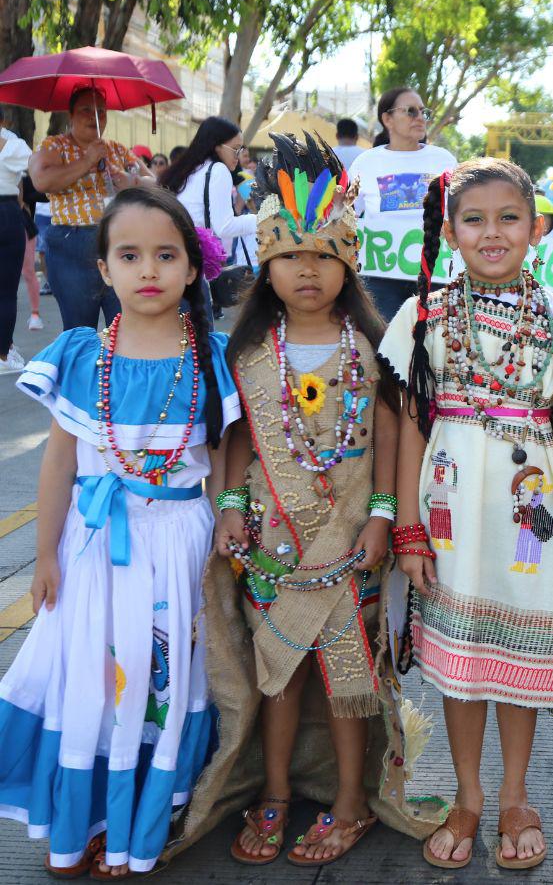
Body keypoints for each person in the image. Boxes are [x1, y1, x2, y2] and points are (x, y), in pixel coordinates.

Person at [188, 133, 425, 867]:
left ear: (347, 261)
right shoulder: (250, 352)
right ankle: (276, 794)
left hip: (351, 540)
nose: (308, 270)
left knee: (348, 682)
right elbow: (235, 440)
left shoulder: (372, 346)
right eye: (291, 257)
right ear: (267, 265)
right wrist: (229, 505)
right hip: (270, 538)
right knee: (279, 677)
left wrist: (384, 515)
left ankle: (353, 799)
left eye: (323, 256)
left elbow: (389, 438)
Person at [3, 186, 238, 878]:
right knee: (94, 677)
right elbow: (58, 464)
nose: (148, 271)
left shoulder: (213, 356)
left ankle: (143, 822)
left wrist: (227, 521)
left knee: (162, 682)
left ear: (193, 268)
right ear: (101, 268)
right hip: (94, 540)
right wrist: (44, 554)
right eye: (129, 255)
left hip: (178, 542)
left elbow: (226, 461)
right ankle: (83, 820)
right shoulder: (80, 355)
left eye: (166, 255)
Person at [379, 159, 553, 871]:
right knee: (460, 656)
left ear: (537, 228)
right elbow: (414, 420)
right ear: (449, 231)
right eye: (474, 220)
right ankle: (469, 795)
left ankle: (514, 794)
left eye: (509, 218)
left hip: (528, 508)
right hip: (448, 507)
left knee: (519, 652)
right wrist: (407, 528)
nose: (492, 233)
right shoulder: (426, 311)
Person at [28, 87, 155, 332]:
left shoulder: (116, 149)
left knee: (125, 323)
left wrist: (133, 182)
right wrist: (86, 161)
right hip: (71, 243)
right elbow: (41, 181)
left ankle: (118, 369)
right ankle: (83, 370)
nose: (93, 116)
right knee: (79, 328)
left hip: (118, 241)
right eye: (86, 110)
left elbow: (157, 182)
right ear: (71, 115)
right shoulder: (55, 146)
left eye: (100, 111)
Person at [349, 87, 456, 322]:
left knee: (434, 341)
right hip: (380, 274)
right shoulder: (365, 162)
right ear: (387, 119)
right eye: (410, 111)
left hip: (435, 269)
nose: (420, 117)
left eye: (423, 112)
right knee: (385, 341)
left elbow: (460, 211)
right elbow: (348, 216)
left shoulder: (444, 160)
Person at [160, 116, 255, 260]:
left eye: (240, 150)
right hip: (196, 258)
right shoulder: (218, 170)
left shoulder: (189, 169)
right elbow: (225, 227)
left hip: (175, 253)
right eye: (235, 149)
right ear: (216, 146)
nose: (238, 156)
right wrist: (264, 219)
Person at [1, 107, 33, 372]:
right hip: (7, 211)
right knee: (6, 290)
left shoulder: (12, 144)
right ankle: (2, 356)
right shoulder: (12, 144)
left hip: (9, 208)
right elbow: (31, 168)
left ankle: (4, 351)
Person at [18, 173, 44, 330]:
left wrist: (24, 199)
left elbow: (43, 194)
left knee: (28, 271)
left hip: (24, 226)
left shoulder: (24, 176)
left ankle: (35, 315)